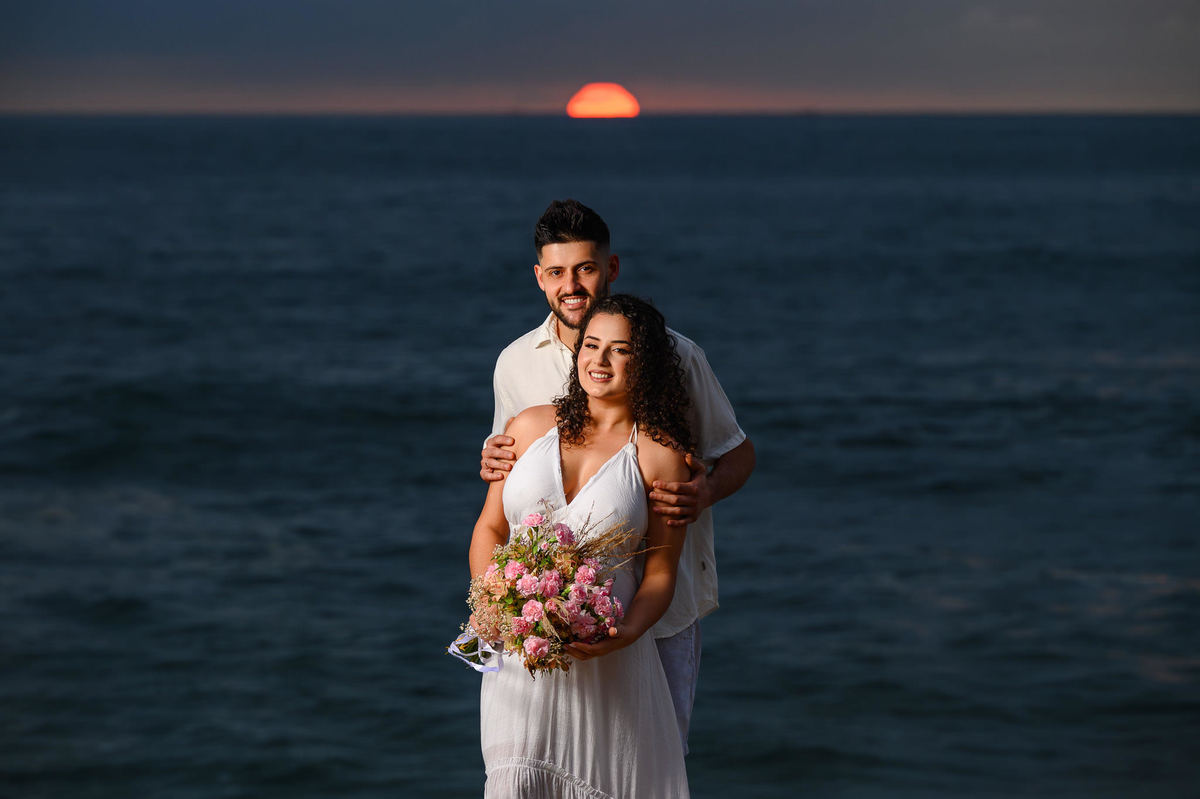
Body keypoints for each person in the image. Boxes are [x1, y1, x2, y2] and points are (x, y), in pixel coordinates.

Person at [480, 199, 755, 752]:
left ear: (611, 268)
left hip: (661, 612)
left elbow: (738, 454)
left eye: (585, 267)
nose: (572, 284)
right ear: (540, 278)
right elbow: (508, 472)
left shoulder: (677, 356)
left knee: (645, 763)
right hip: (545, 613)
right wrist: (490, 461)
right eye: (557, 272)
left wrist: (702, 492)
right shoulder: (515, 363)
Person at [470, 295, 693, 797]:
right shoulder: (527, 427)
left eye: (620, 350)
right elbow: (490, 529)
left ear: (646, 362)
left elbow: (660, 571)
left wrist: (624, 633)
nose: (599, 360)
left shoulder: (660, 455)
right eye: (591, 345)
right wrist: (495, 606)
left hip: (608, 661)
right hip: (518, 659)